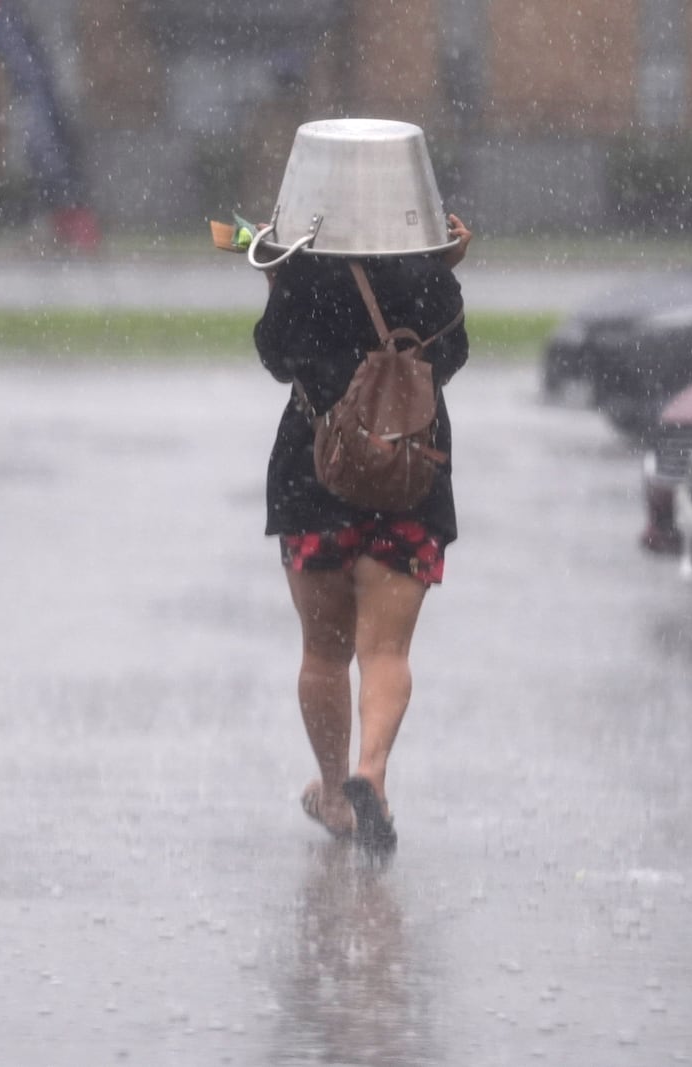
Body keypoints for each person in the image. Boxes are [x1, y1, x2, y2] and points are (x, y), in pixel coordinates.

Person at [254, 214, 473, 857]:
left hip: (313, 477)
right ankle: (370, 773)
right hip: (410, 476)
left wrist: (276, 275)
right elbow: (448, 360)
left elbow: (276, 357)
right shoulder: (429, 273)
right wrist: (441, 272)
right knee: (387, 652)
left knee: (324, 653)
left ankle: (331, 792)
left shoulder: (301, 267)